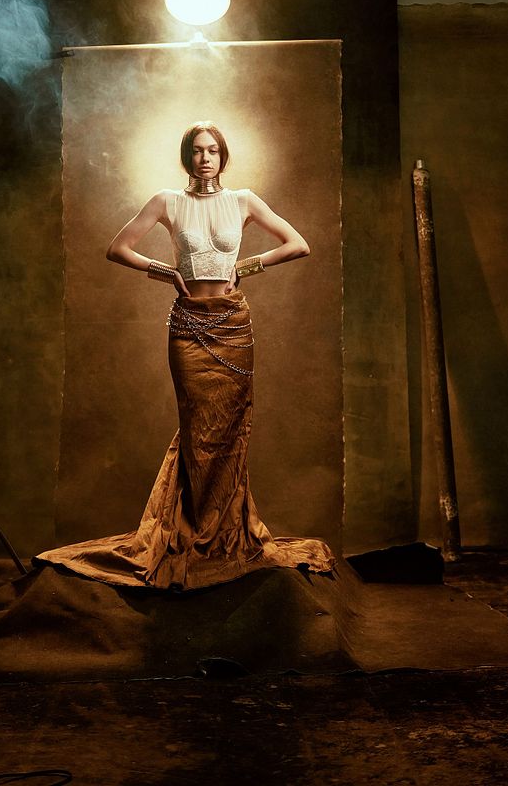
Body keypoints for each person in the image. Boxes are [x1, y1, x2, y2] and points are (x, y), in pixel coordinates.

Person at [35, 122, 335, 590]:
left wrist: (246, 266)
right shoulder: (167, 201)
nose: (205, 158)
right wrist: (165, 271)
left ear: (223, 156)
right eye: (197, 151)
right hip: (189, 326)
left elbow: (299, 244)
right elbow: (118, 249)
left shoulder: (243, 201)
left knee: (232, 429)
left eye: (213, 150)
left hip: (233, 325)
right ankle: (192, 529)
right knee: (198, 428)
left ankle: (226, 531)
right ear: (186, 156)